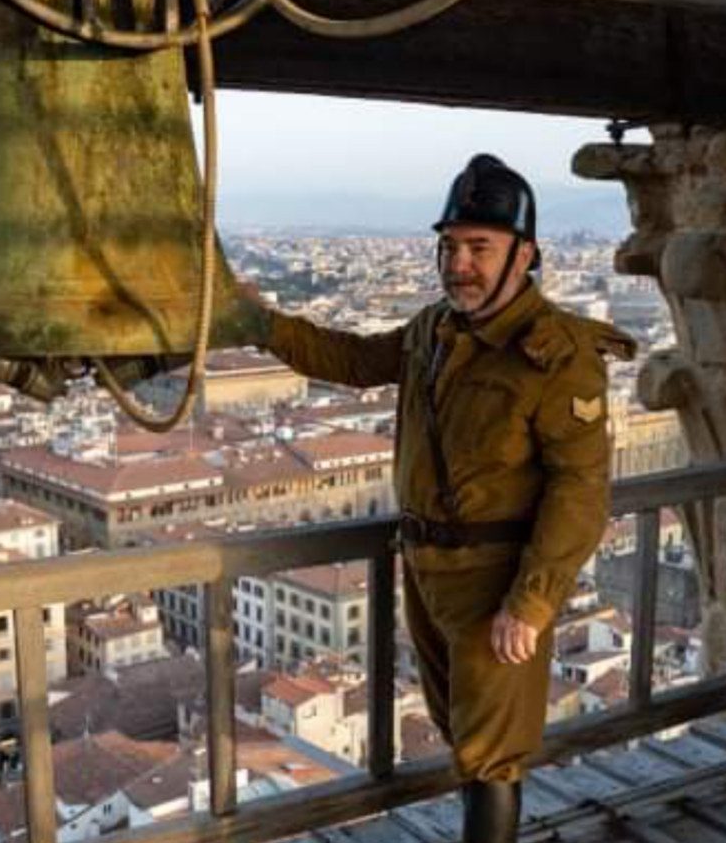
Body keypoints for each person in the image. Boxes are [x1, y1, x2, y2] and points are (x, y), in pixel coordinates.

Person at [237, 154, 635, 843]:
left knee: (493, 754)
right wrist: (264, 324)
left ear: (525, 255)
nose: (459, 264)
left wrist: (533, 601)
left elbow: (580, 488)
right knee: (461, 731)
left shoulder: (557, 351)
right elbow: (357, 362)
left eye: (479, 248)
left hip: (496, 580)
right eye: (450, 246)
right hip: (427, 570)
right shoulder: (434, 330)